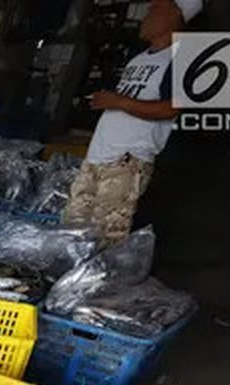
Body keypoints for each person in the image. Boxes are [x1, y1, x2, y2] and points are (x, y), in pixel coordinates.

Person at [62, 0, 198, 242]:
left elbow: (171, 108)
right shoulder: (139, 59)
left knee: (104, 239)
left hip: (126, 163)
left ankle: (98, 280)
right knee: (71, 232)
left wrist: (117, 102)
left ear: (174, 15)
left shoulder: (182, 58)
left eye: (155, 9)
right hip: (97, 157)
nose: (146, 15)